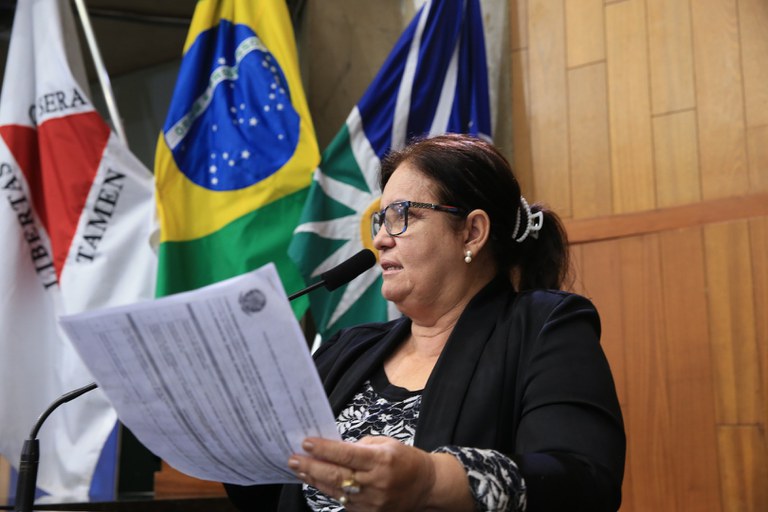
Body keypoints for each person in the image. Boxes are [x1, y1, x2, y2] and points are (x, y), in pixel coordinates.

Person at [226, 133, 625, 511]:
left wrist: (432, 481)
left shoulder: (545, 327)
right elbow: (272, 494)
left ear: (472, 233)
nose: (380, 238)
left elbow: (584, 481)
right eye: (381, 220)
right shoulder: (347, 349)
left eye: (402, 216)